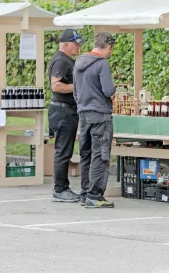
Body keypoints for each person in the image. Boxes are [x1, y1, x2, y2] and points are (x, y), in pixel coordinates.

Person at [73, 32, 116, 208]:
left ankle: (85, 193)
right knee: (101, 154)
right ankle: (95, 195)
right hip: (100, 115)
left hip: (83, 114)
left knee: (86, 154)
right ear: (108, 47)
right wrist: (113, 89)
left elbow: (75, 92)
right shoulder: (102, 64)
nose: (110, 53)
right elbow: (108, 90)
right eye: (111, 50)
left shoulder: (78, 63)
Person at [49, 29, 86, 203]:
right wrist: (80, 86)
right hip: (63, 110)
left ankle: (62, 188)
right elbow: (55, 86)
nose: (78, 46)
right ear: (65, 44)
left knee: (65, 150)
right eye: (76, 43)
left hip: (65, 110)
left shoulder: (65, 60)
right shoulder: (61, 61)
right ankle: (60, 189)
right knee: (63, 152)